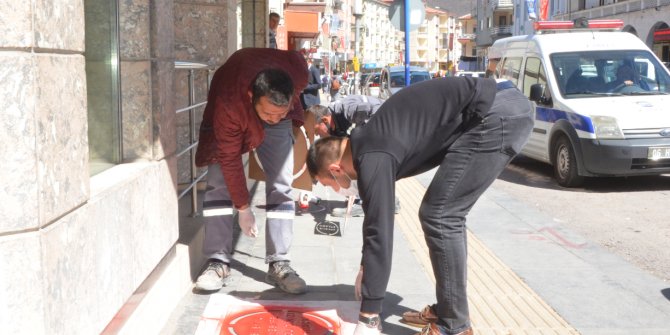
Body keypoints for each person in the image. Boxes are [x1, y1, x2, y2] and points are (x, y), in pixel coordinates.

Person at [306, 77, 534, 335]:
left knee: (441, 215)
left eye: (332, 183)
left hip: (496, 114)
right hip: (494, 108)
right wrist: (365, 265)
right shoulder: (366, 144)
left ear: (335, 169)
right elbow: (374, 216)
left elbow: (380, 232)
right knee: (436, 212)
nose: (338, 190)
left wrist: (369, 316)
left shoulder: (373, 156)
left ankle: (454, 326)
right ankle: (449, 310)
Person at [193, 48, 309, 294]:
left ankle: (279, 262)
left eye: (280, 113)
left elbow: (296, 65)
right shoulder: (230, 104)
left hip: (272, 95)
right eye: (268, 113)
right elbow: (230, 158)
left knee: (281, 183)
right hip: (233, 101)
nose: (273, 119)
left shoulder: (297, 76)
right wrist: (244, 210)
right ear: (251, 96)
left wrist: (278, 114)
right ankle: (218, 261)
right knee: (220, 182)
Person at [306, 95, 394, 217]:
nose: (317, 135)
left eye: (316, 131)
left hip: (390, 125)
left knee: (365, 158)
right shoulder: (332, 128)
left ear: (325, 120)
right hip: (378, 134)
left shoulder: (349, 110)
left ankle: (366, 202)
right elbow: (324, 159)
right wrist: (308, 186)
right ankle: (389, 200)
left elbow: (378, 124)